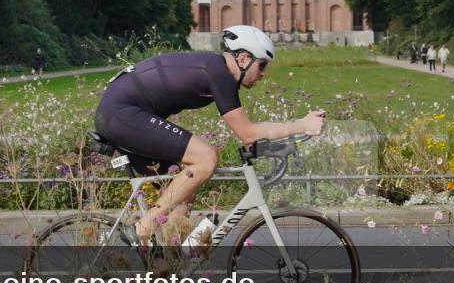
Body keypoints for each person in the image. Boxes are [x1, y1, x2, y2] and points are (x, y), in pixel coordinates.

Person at [94, 25, 327, 245]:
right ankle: (142, 229)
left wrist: (279, 141)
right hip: (122, 113)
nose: (263, 74)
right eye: (262, 65)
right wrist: (301, 125)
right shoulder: (219, 73)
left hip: (121, 112)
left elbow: (249, 132)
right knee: (206, 158)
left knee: (182, 198)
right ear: (244, 59)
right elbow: (248, 133)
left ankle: (164, 270)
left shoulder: (216, 69)